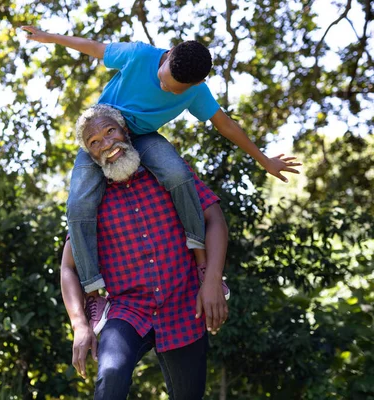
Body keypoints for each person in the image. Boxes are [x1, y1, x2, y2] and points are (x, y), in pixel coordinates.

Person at [24, 26, 301, 333]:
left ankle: (203, 265)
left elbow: (226, 125)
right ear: (167, 56)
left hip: (143, 138)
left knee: (177, 174)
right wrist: (51, 37)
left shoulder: (197, 91)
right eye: (164, 82)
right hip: (105, 135)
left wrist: (265, 160)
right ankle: (93, 293)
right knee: (77, 206)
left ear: (195, 84)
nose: (167, 90)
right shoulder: (139, 55)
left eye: (175, 90)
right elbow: (94, 46)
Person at [61, 104, 229, 399]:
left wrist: (212, 279)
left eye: (110, 131)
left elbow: (214, 218)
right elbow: (68, 267)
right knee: (110, 380)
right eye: (94, 142)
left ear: (125, 132)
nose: (106, 144)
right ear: (91, 155)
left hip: (186, 303)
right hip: (127, 310)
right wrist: (79, 324)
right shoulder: (90, 203)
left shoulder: (169, 176)